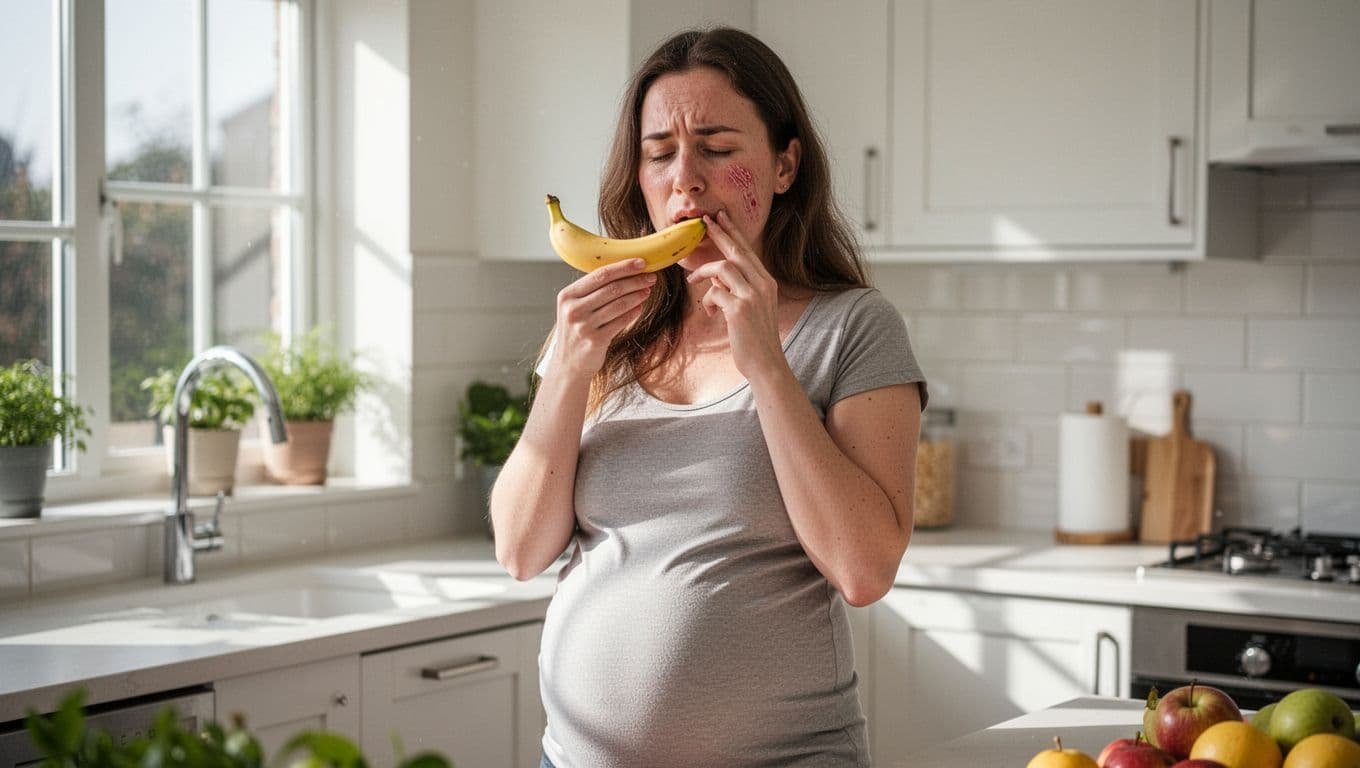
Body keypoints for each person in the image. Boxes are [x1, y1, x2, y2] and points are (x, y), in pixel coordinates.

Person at [490, 26, 927, 768]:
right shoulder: (599, 337)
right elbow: (521, 550)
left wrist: (768, 369)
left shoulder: (853, 327)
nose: (685, 180)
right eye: (659, 153)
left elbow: (863, 570)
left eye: (718, 149)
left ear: (784, 165)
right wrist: (567, 370)